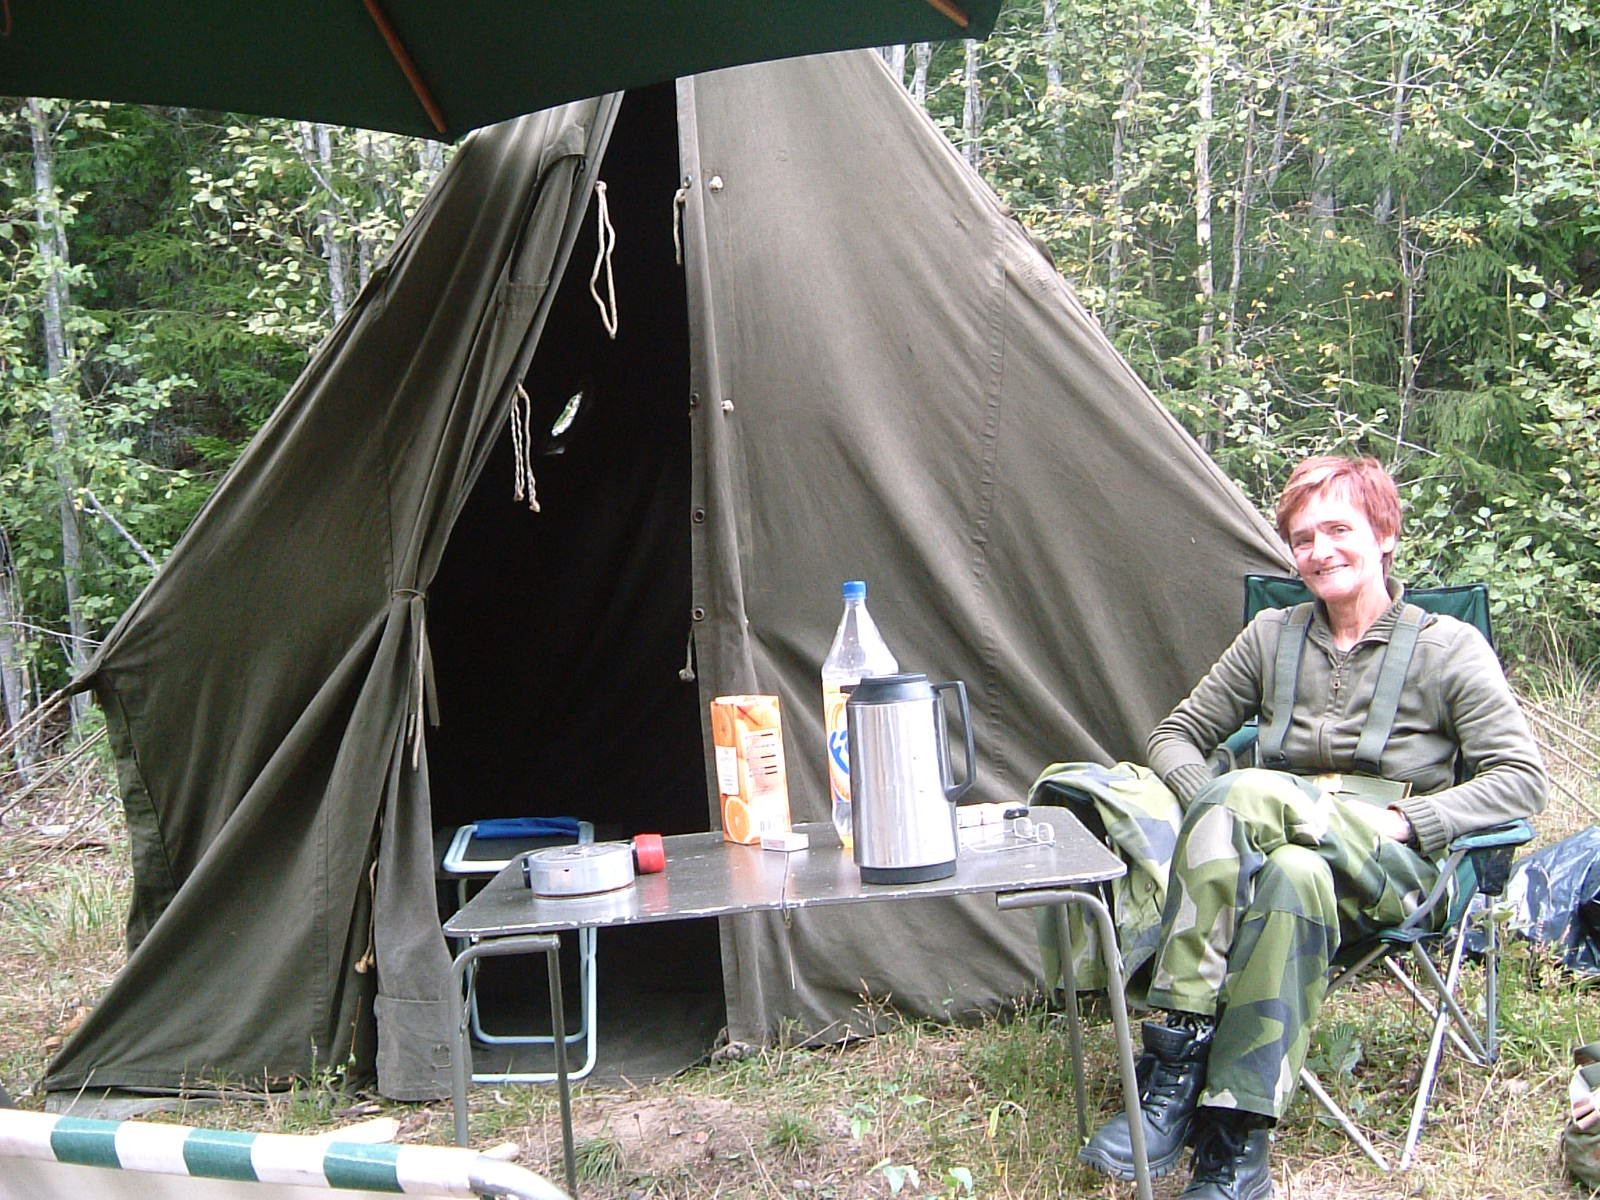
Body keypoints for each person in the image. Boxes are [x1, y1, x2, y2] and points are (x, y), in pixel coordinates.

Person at [1076, 455, 1547, 1200]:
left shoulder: (1448, 647)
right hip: (1277, 861)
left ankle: (1174, 1057)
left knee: (1250, 791)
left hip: (1391, 868)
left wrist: (1411, 819)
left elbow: (1522, 779)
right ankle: (1236, 1144)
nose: (1319, 551)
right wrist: (1216, 808)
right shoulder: (1272, 635)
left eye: (1338, 530)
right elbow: (1175, 736)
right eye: (1302, 539)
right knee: (1292, 872)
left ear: (1385, 534)